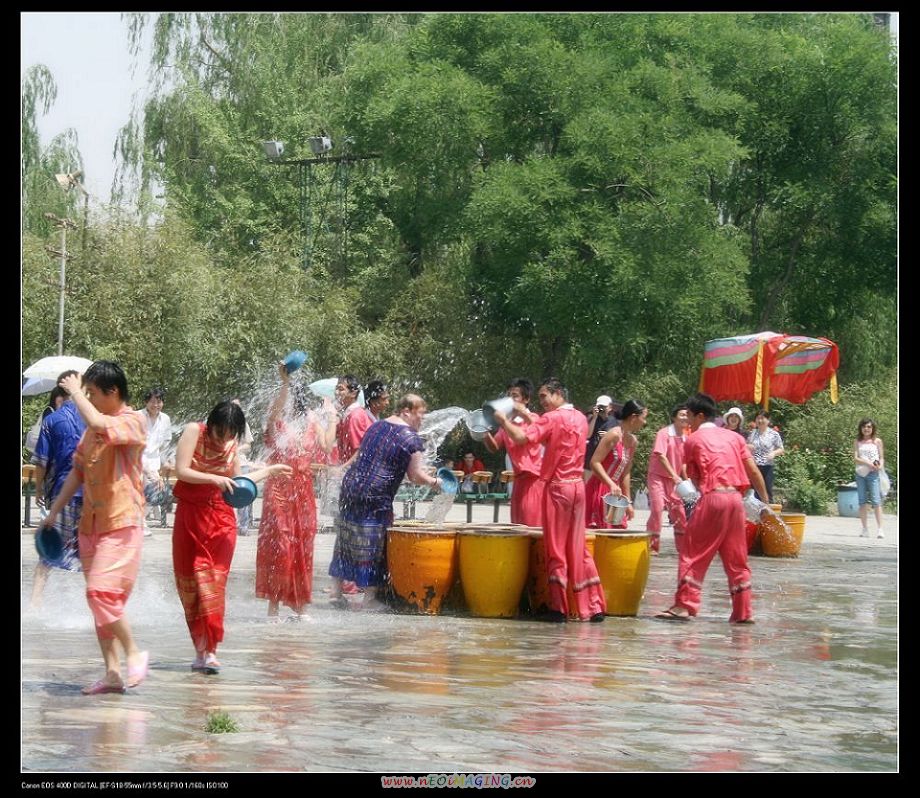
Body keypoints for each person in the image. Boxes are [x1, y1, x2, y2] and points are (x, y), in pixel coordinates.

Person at [38, 362, 150, 694]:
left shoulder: (133, 421)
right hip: (91, 526)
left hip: (121, 522)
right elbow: (78, 473)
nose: (88, 399)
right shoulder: (90, 433)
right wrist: (52, 512)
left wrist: (73, 391)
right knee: (100, 603)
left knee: (99, 593)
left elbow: (101, 421)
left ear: (112, 393)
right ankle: (113, 673)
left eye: (92, 393)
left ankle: (133, 652)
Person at [172, 401, 291, 674]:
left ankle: (211, 651)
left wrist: (270, 471)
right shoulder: (194, 431)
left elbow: (239, 484)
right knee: (190, 584)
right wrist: (213, 479)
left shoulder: (231, 446)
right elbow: (182, 471)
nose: (224, 438)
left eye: (230, 434)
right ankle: (199, 650)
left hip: (222, 523)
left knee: (212, 583)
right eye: (220, 432)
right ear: (211, 424)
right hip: (190, 518)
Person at [493, 378, 606, 623]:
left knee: (555, 548)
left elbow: (523, 437)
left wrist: (502, 421)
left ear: (557, 395)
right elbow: (549, 434)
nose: (542, 402)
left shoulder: (552, 418)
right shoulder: (578, 418)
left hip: (557, 489)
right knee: (579, 548)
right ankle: (594, 606)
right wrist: (524, 413)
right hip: (578, 488)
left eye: (544, 396)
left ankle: (559, 608)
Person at [656, 392, 768, 624]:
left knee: (691, 552)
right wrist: (765, 502)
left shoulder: (693, 440)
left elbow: (693, 480)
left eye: (690, 419)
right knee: (736, 558)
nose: (688, 424)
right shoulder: (735, 438)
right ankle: (743, 611)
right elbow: (754, 471)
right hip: (736, 502)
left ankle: (684, 605)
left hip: (713, 498)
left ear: (700, 416)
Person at [328, 394, 440, 612]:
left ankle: (335, 592)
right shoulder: (411, 438)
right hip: (376, 495)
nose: (422, 420)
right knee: (375, 543)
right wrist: (436, 482)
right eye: (420, 415)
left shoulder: (377, 425)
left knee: (346, 537)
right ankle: (369, 599)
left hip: (351, 486)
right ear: (406, 411)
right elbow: (416, 475)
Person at [255, 365, 335, 621]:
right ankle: (273, 607)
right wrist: (285, 384)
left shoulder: (312, 421)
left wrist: (332, 417)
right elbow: (276, 408)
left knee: (303, 544)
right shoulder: (277, 422)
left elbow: (326, 444)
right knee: (281, 545)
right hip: (279, 488)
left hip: (303, 490)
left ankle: (299, 605)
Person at [29, 371, 87, 608]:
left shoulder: (51, 420)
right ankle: (96, 607)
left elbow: (41, 461)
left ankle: (34, 604)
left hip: (62, 493)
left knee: (49, 550)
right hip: (92, 494)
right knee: (91, 552)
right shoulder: (93, 416)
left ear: (59, 395)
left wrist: (39, 490)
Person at [483, 378, 544, 526]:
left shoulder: (534, 419)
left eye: (515, 396)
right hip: (519, 481)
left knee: (531, 527)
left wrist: (505, 421)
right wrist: (483, 431)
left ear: (526, 399)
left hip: (535, 481)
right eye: (508, 395)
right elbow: (494, 447)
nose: (510, 400)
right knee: (517, 526)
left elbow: (521, 437)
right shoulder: (508, 423)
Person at [585, 400, 648, 530]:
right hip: (599, 489)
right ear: (633, 417)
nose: (645, 422)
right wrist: (611, 483)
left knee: (616, 532)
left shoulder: (632, 442)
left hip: (615, 493)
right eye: (644, 418)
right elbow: (594, 462)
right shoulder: (613, 435)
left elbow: (625, 473)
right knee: (597, 533)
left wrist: (628, 502)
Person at [645, 404, 690, 554]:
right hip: (658, 477)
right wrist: (675, 475)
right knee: (657, 509)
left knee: (679, 512)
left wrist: (686, 479)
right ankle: (652, 545)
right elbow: (661, 455)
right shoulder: (664, 433)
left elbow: (683, 462)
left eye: (687, 415)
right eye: (682, 414)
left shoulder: (685, 438)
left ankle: (683, 548)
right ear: (674, 417)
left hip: (674, 480)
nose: (685, 417)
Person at [140, 387, 172, 535]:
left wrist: (165, 461)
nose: (156, 405)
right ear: (146, 402)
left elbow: (166, 442)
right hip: (137, 458)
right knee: (138, 490)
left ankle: (141, 521)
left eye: (159, 401)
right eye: (152, 401)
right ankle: (140, 523)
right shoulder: (138, 416)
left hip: (154, 460)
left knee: (152, 491)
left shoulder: (165, 419)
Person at [854, 418, 885, 539]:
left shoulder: (877, 441)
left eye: (869, 427)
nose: (866, 429)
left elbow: (881, 457)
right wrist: (867, 463)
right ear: (861, 428)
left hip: (873, 474)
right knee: (862, 501)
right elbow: (856, 458)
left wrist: (880, 465)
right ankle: (864, 528)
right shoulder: (857, 441)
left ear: (872, 429)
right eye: (864, 427)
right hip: (861, 473)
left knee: (876, 501)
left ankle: (880, 529)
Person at [231, 399, 257, 536]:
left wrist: (237, 449)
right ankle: (229, 523)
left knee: (243, 494)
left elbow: (248, 445)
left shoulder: (243, 424)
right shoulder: (224, 423)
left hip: (241, 463)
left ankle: (244, 525)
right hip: (226, 464)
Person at [746, 411, 785, 503]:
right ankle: (755, 515)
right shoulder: (752, 433)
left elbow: (781, 449)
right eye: (758, 418)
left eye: (762, 418)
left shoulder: (774, 434)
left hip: (767, 466)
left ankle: (768, 514)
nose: (760, 420)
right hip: (754, 466)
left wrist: (773, 453)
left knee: (767, 490)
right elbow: (747, 447)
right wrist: (748, 447)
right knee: (754, 491)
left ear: (768, 420)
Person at [583, 395, 621, 480]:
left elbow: (618, 441)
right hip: (590, 458)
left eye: (604, 407)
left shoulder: (614, 422)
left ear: (610, 407)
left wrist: (607, 436)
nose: (602, 409)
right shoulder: (592, 418)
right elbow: (588, 435)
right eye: (600, 407)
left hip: (603, 461)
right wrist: (594, 417)